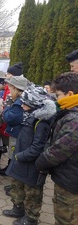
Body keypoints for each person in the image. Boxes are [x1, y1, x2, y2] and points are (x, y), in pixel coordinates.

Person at [3, 85, 56, 225]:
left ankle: (31, 218)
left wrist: (19, 156)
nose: (22, 105)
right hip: (21, 159)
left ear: (34, 104)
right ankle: (18, 208)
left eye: (25, 102)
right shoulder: (30, 115)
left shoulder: (41, 122)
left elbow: (37, 147)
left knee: (32, 193)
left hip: (31, 163)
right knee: (17, 186)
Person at [36, 72, 78, 225]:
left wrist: (41, 162)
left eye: (58, 95)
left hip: (70, 181)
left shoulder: (74, 119)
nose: (57, 99)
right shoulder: (70, 113)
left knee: (65, 218)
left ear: (70, 94)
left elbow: (59, 150)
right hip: (71, 176)